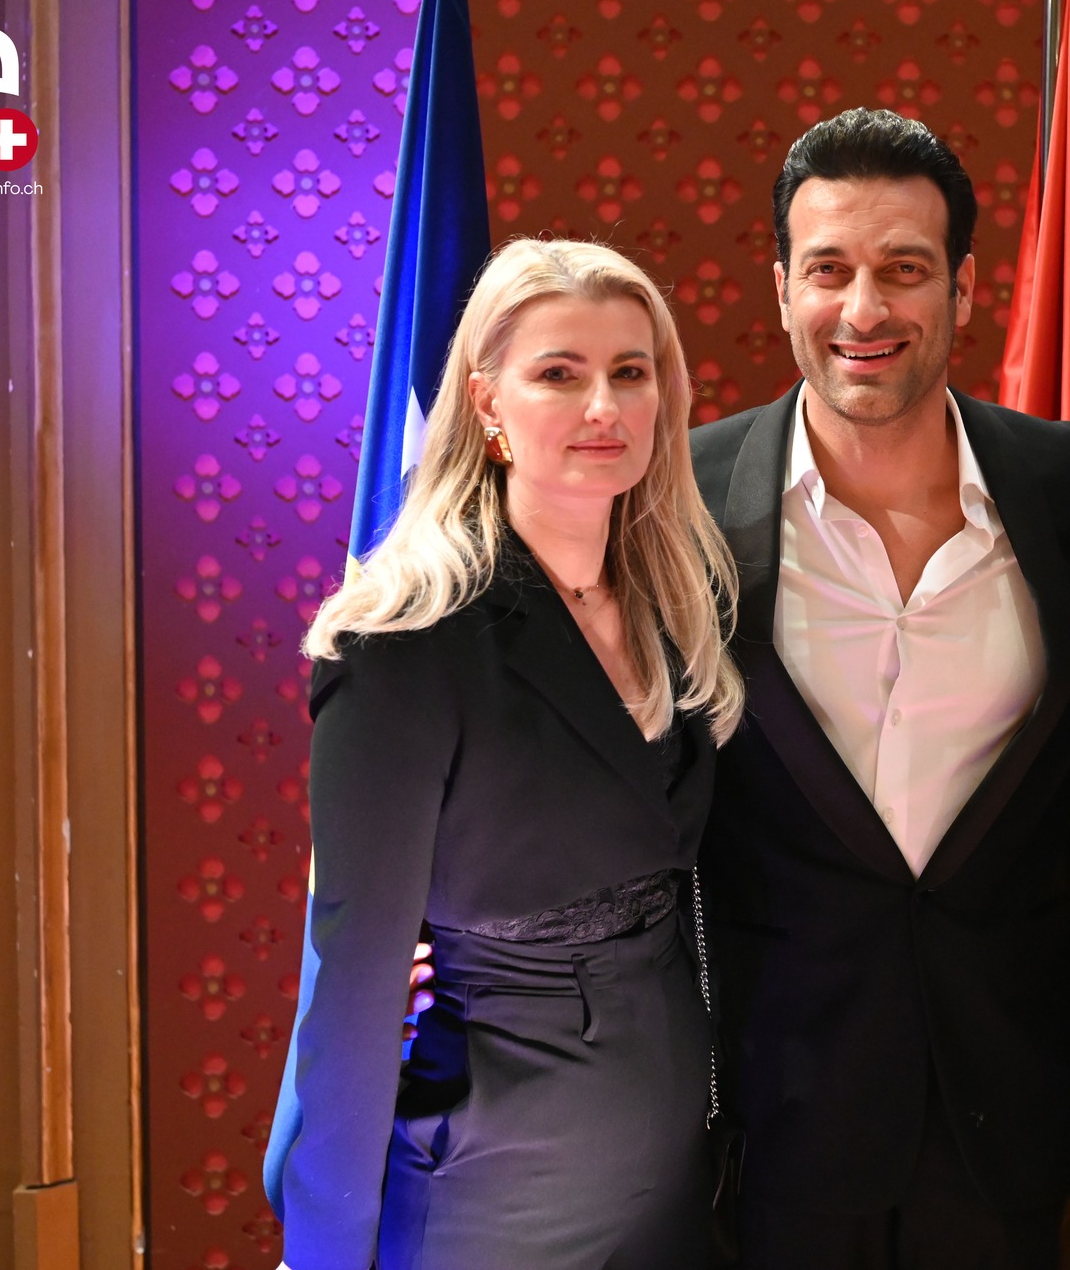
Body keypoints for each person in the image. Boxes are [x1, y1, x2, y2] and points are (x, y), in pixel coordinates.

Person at [687, 108, 1070, 1268]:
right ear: (781, 287)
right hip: (771, 1118)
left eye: (902, 269)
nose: (863, 310)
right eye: (828, 269)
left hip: (1009, 1116)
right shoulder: (681, 502)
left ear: (963, 287)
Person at [270, 238, 745, 1270]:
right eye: (559, 374)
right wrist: (323, 1249)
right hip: (494, 1196)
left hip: (674, 1177)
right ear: (488, 401)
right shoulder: (402, 639)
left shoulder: (679, 603)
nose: (603, 406)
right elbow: (354, 981)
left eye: (630, 371)